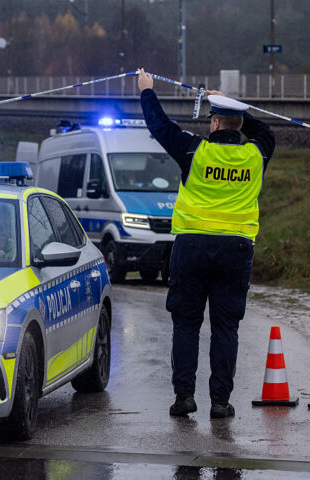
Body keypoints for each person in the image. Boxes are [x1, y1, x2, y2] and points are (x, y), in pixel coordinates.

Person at [137, 68, 275, 419]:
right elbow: (266, 132)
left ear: (214, 124)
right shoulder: (256, 155)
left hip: (193, 247)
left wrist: (147, 91)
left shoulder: (192, 151)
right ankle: (220, 402)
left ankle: (184, 398)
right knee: (226, 327)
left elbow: (159, 126)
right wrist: (232, 107)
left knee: (186, 323)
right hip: (236, 250)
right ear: (239, 125)